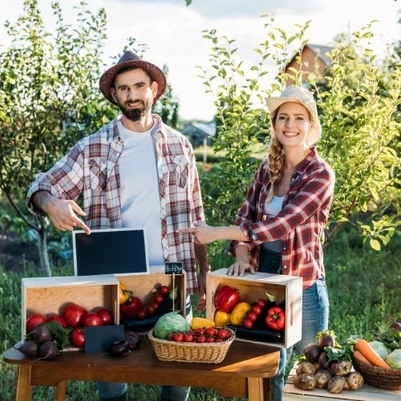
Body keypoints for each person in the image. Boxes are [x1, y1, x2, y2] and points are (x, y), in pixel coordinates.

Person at [26, 50, 210, 401]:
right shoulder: (92, 147)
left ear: (154, 89)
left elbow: (194, 212)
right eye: (123, 88)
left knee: (176, 369)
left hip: (172, 274)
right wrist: (52, 204)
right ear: (115, 95)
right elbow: (40, 186)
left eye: (139, 85)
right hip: (114, 278)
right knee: (109, 371)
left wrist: (202, 271)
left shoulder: (180, 145)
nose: (131, 95)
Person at [179, 86, 335, 401]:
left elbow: (281, 224)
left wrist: (215, 233)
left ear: (310, 125)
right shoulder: (268, 169)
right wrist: (240, 253)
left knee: (311, 366)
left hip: (303, 282)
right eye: (283, 118)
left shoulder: (320, 173)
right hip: (264, 276)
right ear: (275, 124)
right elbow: (245, 215)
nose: (290, 125)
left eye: (298, 118)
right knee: (269, 364)